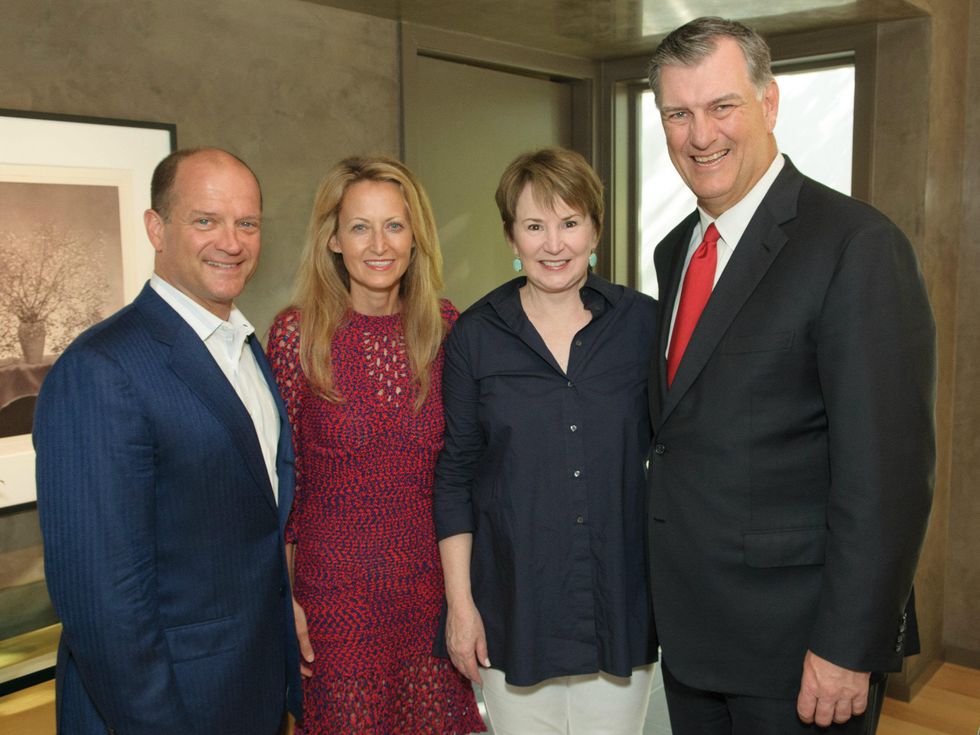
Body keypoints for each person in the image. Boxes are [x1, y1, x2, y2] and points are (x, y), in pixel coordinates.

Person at [644, 17, 936, 735]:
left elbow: (887, 477)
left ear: (769, 103)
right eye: (678, 114)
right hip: (692, 640)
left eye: (722, 106)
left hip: (801, 651)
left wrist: (848, 646)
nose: (700, 135)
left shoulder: (856, 245)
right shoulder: (676, 250)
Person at [34, 147, 302, 734]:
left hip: (248, 693)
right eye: (206, 220)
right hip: (163, 709)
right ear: (157, 229)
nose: (231, 242)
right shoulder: (101, 369)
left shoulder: (244, 347)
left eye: (247, 223)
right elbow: (102, 599)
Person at [434, 147, 659, 735]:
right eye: (534, 226)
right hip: (514, 606)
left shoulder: (643, 325)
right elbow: (455, 477)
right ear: (511, 235)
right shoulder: (474, 337)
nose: (553, 244)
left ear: (595, 231)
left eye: (570, 222)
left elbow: (680, 457)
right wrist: (461, 608)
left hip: (618, 602)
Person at [266, 155, 485, 735]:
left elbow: (466, 469)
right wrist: (283, 599)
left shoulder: (446, 328)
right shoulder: (297, 335)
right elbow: (281, 486)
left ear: (416, 237)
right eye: (360, 227)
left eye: (394, 225)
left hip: (430, 597)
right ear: (333, 239)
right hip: (334, 606)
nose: (379, 244)